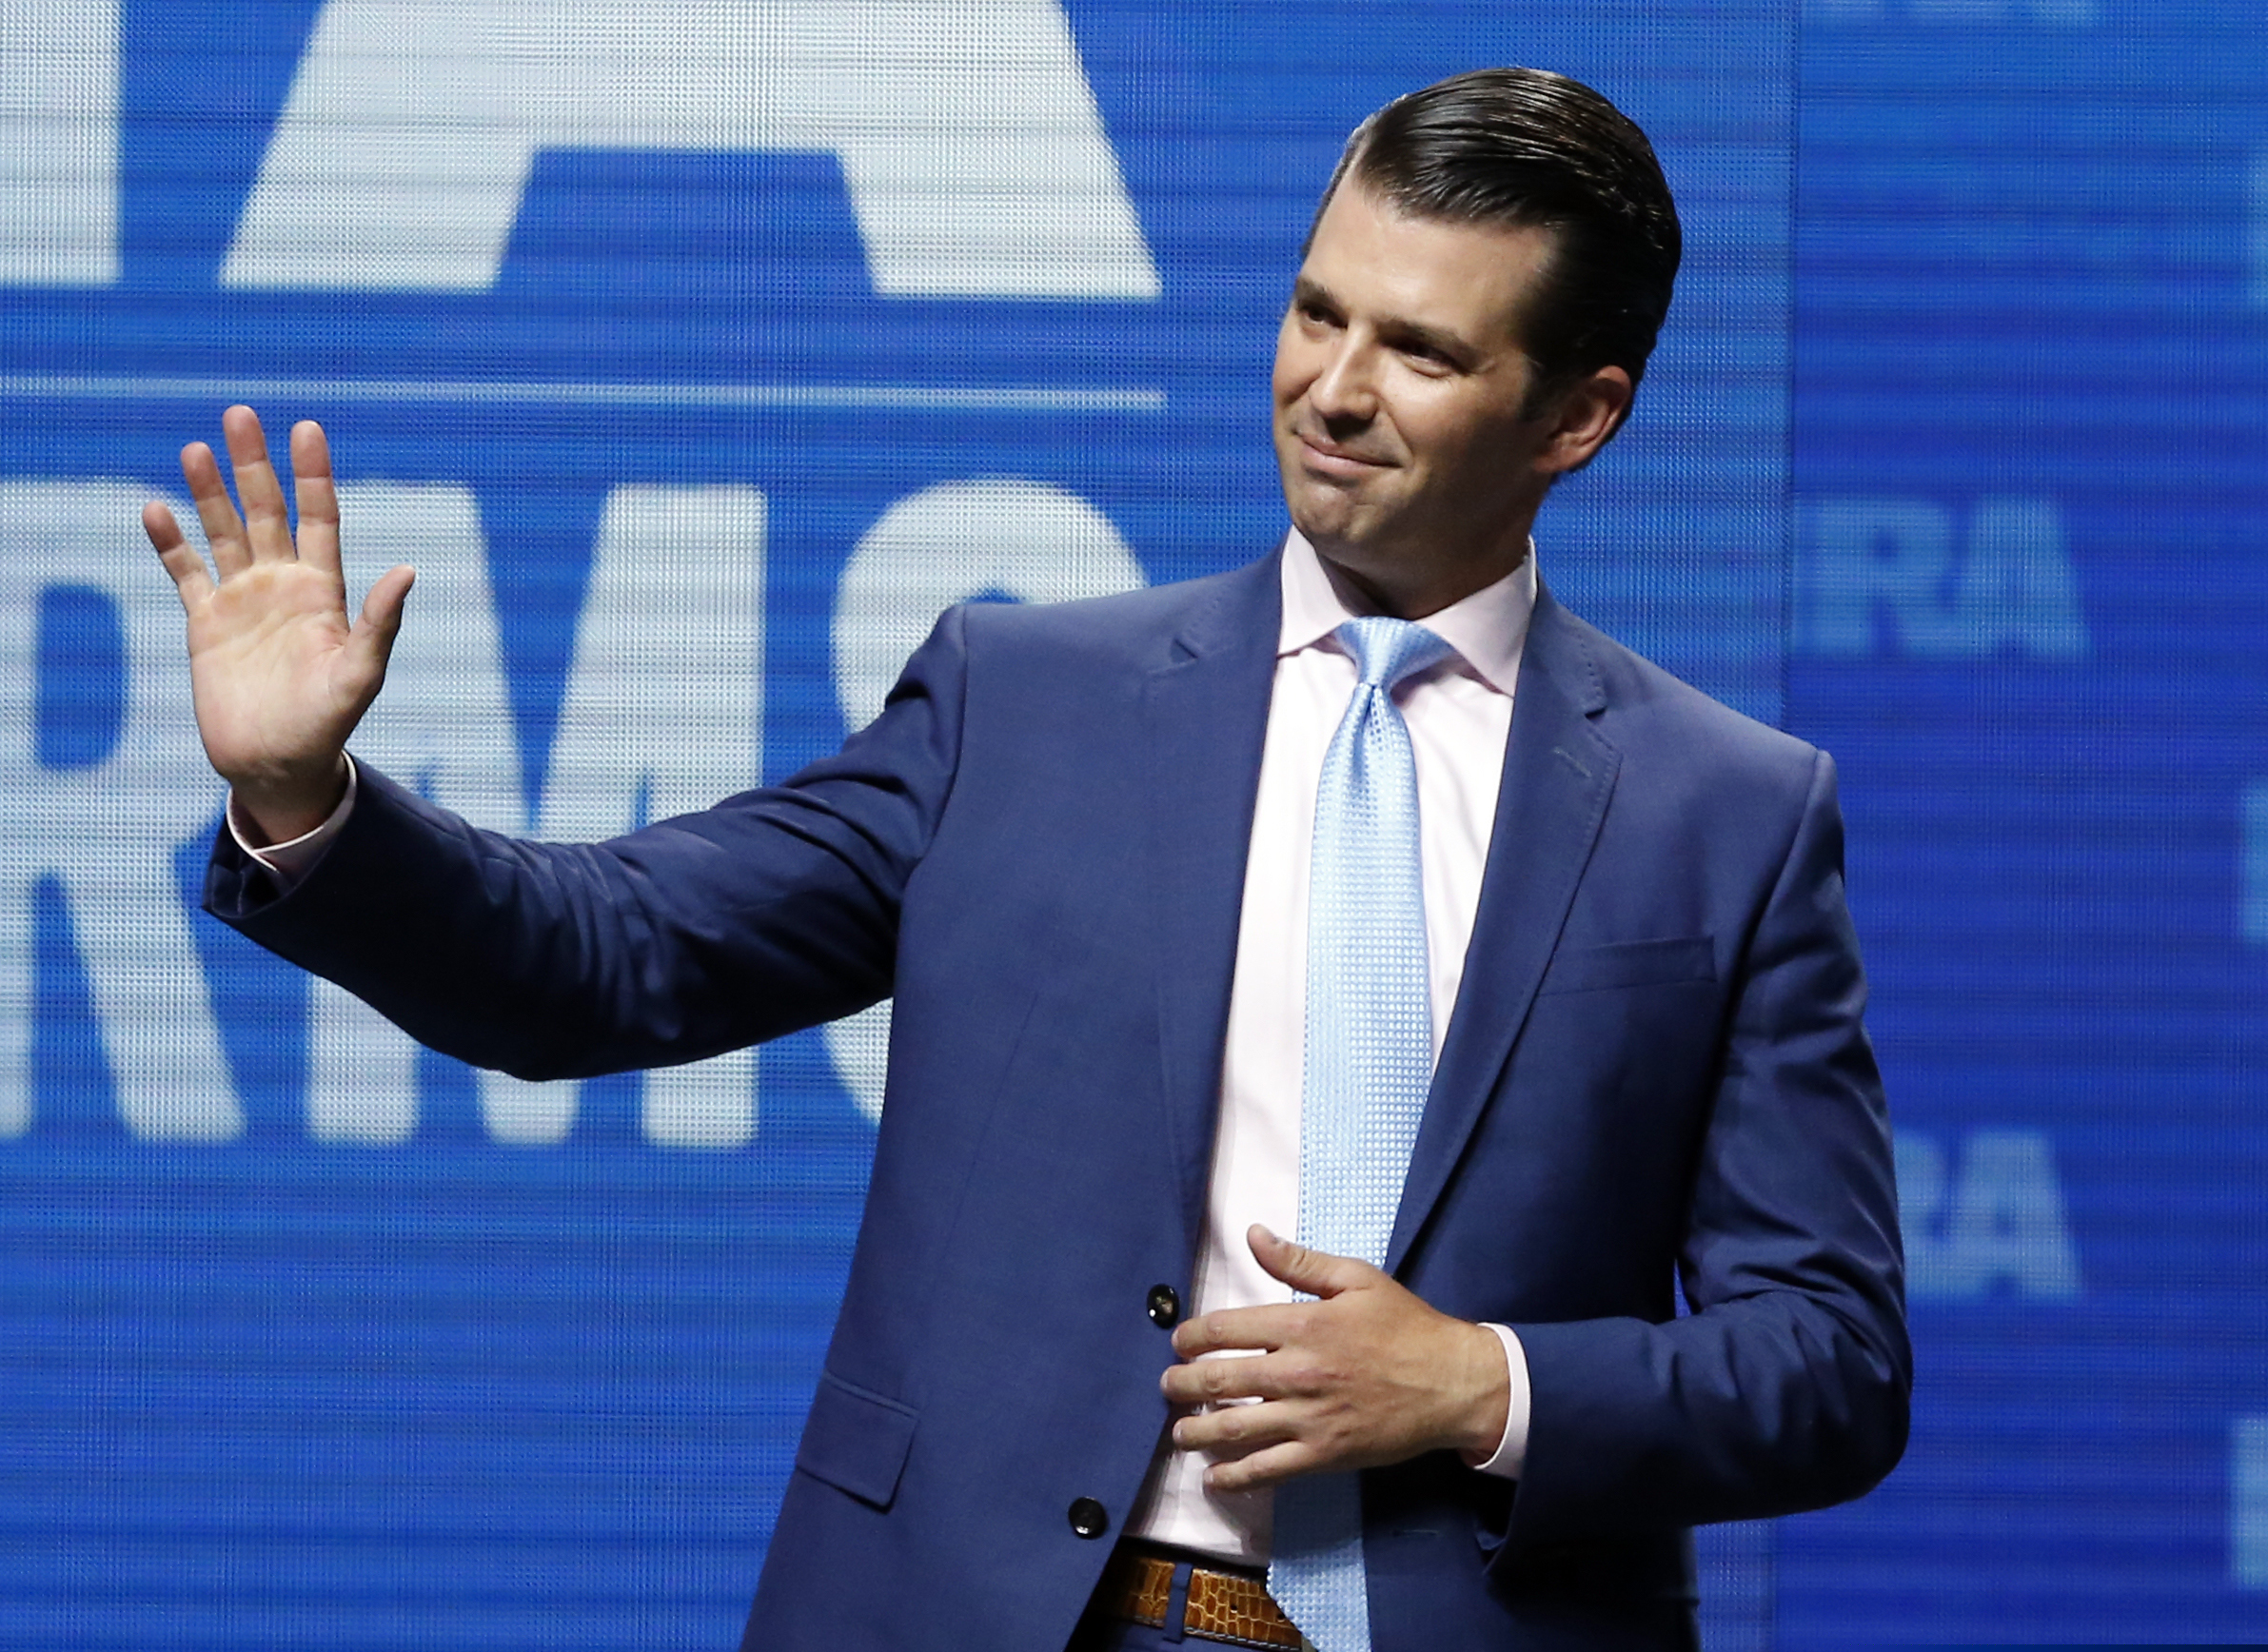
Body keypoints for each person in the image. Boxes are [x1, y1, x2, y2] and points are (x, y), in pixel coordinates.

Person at [144, 66, 1907, 1652]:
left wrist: (1476, 1384)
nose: (1333, 391)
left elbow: (1828, 1363)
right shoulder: (1024, 701)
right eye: (1314, 313)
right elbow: (605, 959)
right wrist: (315, 801)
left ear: (1574, 418)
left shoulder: (1724, 812)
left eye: (1423, 354)